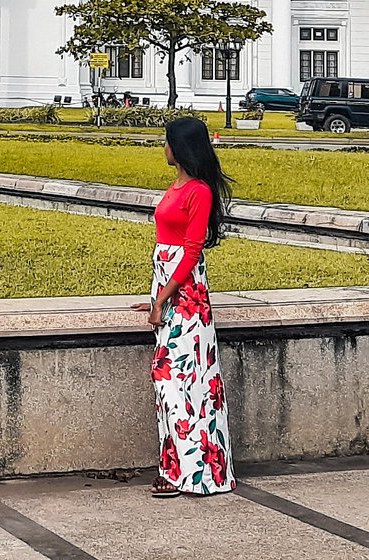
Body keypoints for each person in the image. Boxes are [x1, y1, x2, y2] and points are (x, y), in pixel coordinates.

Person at [132, 116, 235, 497]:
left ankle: (193, 474)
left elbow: (191, 251)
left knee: (182, 381)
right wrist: (157, 294)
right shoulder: (177, 185)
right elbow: (168, 247)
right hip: (173, 291)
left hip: (187, 300)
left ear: (181, 147)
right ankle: (175, 470)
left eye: (167, 141)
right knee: (172, 383)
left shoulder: (199, 191)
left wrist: (163, 298)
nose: (164, 147)